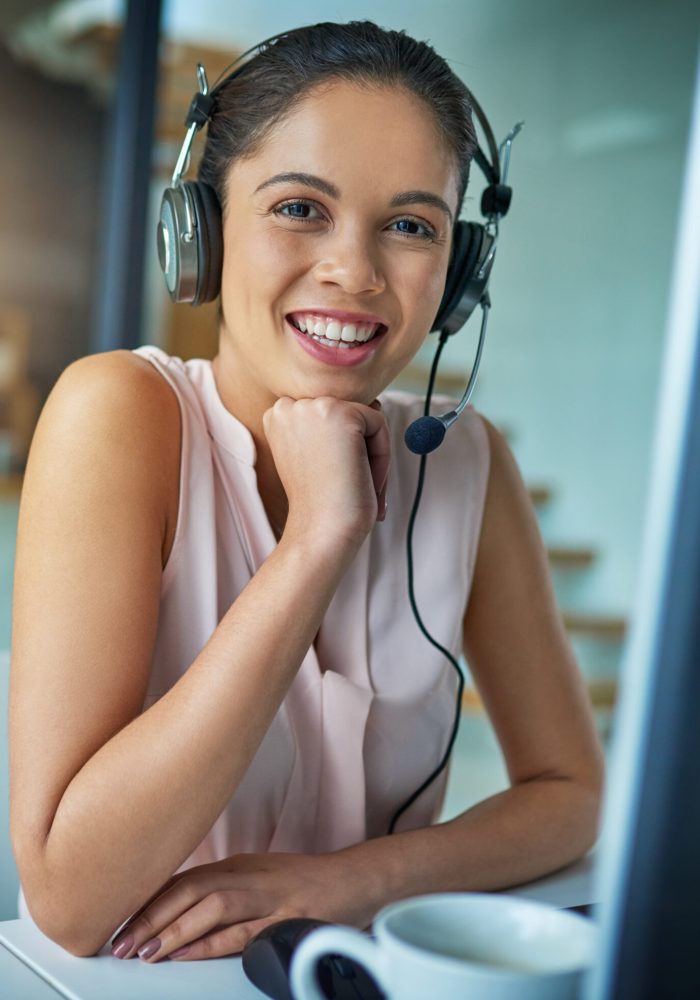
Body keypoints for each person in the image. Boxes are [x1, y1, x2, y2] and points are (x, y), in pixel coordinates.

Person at [9, 20, 604, 962]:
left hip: (352, 970)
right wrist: (319, 538)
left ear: (460, 277)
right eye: (299, 208)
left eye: (411, 226)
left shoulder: (466, 461)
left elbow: (572, 793)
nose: (355, 272)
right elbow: (71, 899)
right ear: (199, 228)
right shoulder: (118, 413)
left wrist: (346, 884)